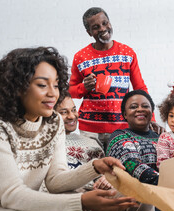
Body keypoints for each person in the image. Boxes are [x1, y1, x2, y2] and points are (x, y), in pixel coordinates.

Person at [0, 47, 140, 211]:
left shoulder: (53, 121)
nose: (53, 94)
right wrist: (81, 201)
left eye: (56, 85)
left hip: (25, 203)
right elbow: (11, 194)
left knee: (136, 202)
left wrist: (95, 167)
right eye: (42, 85)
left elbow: (55, 181)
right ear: (17, 87)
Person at [54, 94, 156, 211]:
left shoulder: (91, 141)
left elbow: (109, 170)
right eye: (63, 112)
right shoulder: (48, 143)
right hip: (73, 197)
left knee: (140, 200)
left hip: (101, 193)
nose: (72, 116)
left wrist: (109, 178)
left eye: (73, 110)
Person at [69, 7, 161, 150]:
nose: (102, 28)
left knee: (119, 167)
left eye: (105, 23)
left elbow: (140, 88)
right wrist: (84, 87)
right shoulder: (80, 57)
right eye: (96, 27)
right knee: (94, 169)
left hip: (122, 126)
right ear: (89, 32)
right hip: (90, 128)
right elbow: (71, 91)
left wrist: (151, 118)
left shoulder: (127, 53)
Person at [107, 90, 174, 211]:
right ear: (125, 114)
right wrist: (167, 184)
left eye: (145, 106)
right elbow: (132, 165)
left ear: (151, 111)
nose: (140, 109)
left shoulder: (164, 137)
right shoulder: (119, 136)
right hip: (148, 195)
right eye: (133, 107)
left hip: (171, 191)